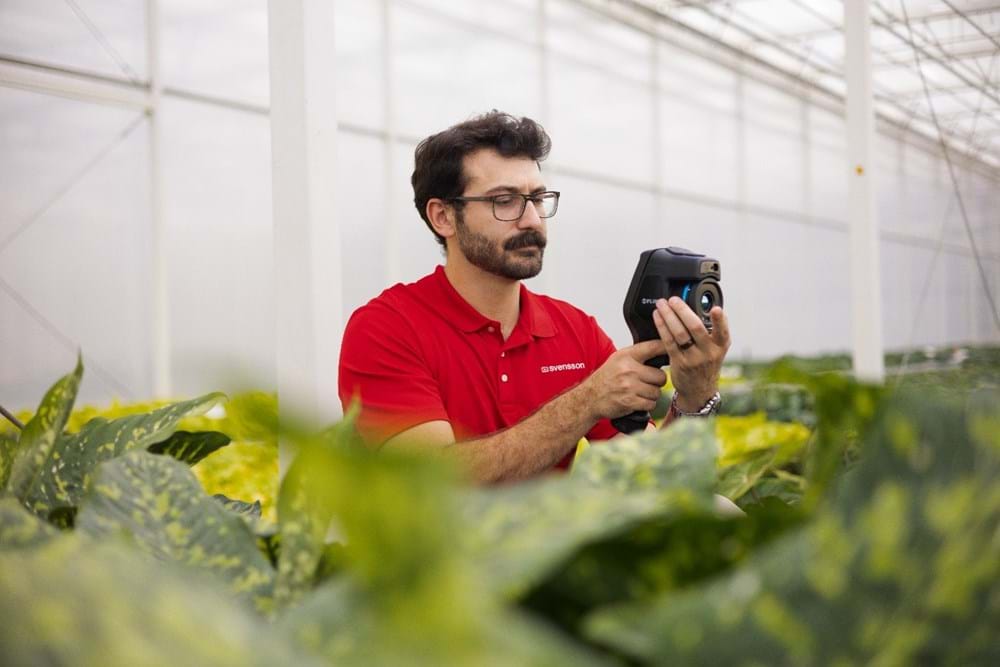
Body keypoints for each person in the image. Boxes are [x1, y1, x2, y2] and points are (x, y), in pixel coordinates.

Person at [338, 111, 731, 483]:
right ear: (443, 217)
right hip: (438, 554)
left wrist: (695, 396)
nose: (531, 220)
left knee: (717, 511)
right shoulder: (386, 327)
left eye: (537, 199)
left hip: (553, 550)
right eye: (504, 201)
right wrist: (587, 401)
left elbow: (657, 478)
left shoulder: (574, 330)